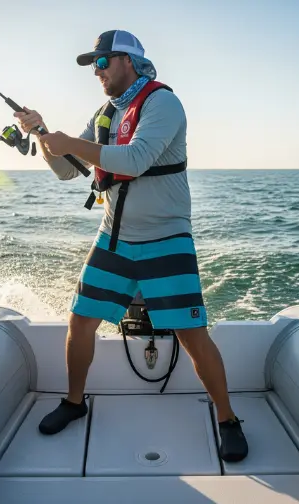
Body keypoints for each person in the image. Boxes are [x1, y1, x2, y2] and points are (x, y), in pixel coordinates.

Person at [13, 30, 248, 462]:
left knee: (192, 335)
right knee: (80, 321)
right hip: (114, 237)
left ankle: (228, 418)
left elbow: (136, 159)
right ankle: (74, 401)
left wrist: (68, 143)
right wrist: (44, 135)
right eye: (93, 65)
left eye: (103, 62)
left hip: (167, 238)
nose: (97, 72)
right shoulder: (104, 114)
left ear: (129, 61)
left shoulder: (163, 103)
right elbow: (68, 170)